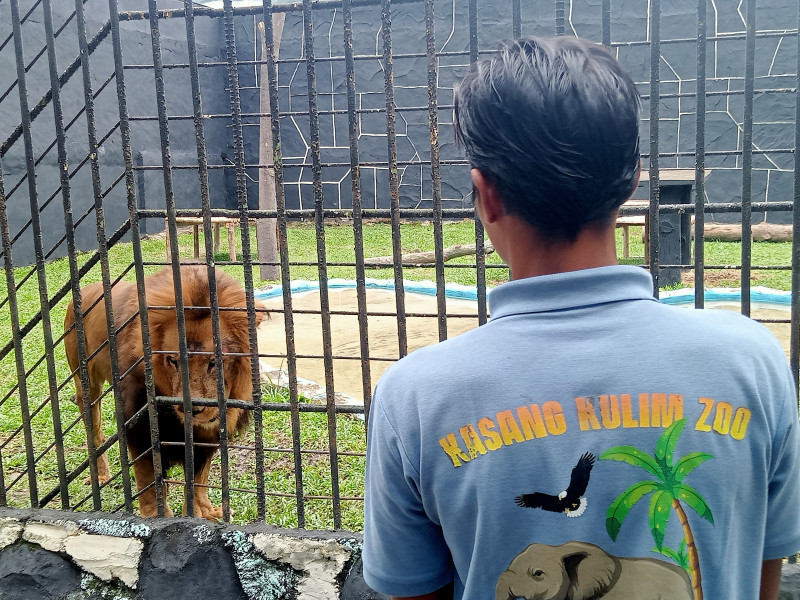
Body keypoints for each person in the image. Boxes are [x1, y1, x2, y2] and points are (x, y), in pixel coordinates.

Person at [362, 35, 800, 600]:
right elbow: (762, 575)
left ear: (486, 194)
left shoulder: (414, 399)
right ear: (632, 179)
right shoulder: (754, 362)